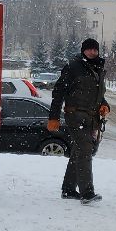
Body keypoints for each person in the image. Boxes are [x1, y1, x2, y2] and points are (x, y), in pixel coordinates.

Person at [47, 37, 109, 203]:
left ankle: (68, 189)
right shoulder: (73, 67)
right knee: (85, 150)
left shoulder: (99, 69)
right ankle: (87, 192)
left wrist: (104, 105)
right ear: (83, 51)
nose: (92, 52)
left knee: (78, 152)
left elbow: (99, 95)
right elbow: (58, 92)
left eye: (95, 49)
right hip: (75, 115)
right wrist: (54, 117)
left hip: (92, 117)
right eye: (88, 49)